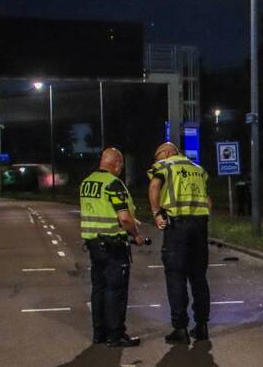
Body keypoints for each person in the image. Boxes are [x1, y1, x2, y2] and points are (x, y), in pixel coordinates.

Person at [79, 147, 145, 348]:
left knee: (98, 288)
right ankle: (116, 334)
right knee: (115, 290)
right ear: (116, 164)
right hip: (113, 245)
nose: (121, 170)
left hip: (93, 244)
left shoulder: (86, 183)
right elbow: (124, 217)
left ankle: (99, 333)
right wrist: (136, 234)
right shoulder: (114, 184)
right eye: (121, 166)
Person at [148, 142, 212, 344]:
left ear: (166, 153)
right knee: (199, 277)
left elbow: (154, 186)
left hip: (178, 228)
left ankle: (180, 328)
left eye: (158, 155)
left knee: (176, 277)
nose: (157, 160)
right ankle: (202, 326)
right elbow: (208, 201)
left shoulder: (165, 165)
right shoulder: (198, 169)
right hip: (200, 227)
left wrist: (157, 213)